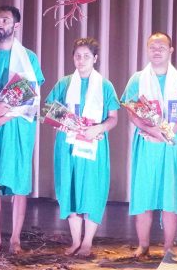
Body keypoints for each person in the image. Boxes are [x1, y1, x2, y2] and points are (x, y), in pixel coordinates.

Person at [0, 5, 45, 255]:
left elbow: (33, 98)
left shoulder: (29, 57)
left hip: (18, 125)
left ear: (16, 25)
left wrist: (4, 117)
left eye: (5, 20)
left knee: (18, 183)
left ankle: (15, 239)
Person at [121, 32, 177, 263]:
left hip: (171, 144)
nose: (156, 50)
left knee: (170, 196)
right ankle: (143, 245)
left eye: (161, 47)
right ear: (147, 50)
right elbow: (131, 112)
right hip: (146, 142)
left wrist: (170, 131)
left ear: (171, 50)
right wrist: (152, 130)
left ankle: (168, 247)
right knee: (144, 194)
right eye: (152, 47)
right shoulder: (137, 79)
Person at [46, 37, 120, 258]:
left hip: (93, 145)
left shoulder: (105, 85)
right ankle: (76, 241)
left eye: (86, 56)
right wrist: (65, 122)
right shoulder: (64, 83)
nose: (81, 60)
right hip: (68, 144)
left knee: (92, 189)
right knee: (69, 189)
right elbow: (49, 108)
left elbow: (113, 118)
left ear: (95, 58)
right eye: (77, 56)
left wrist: (98, 128)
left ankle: (87, 242)